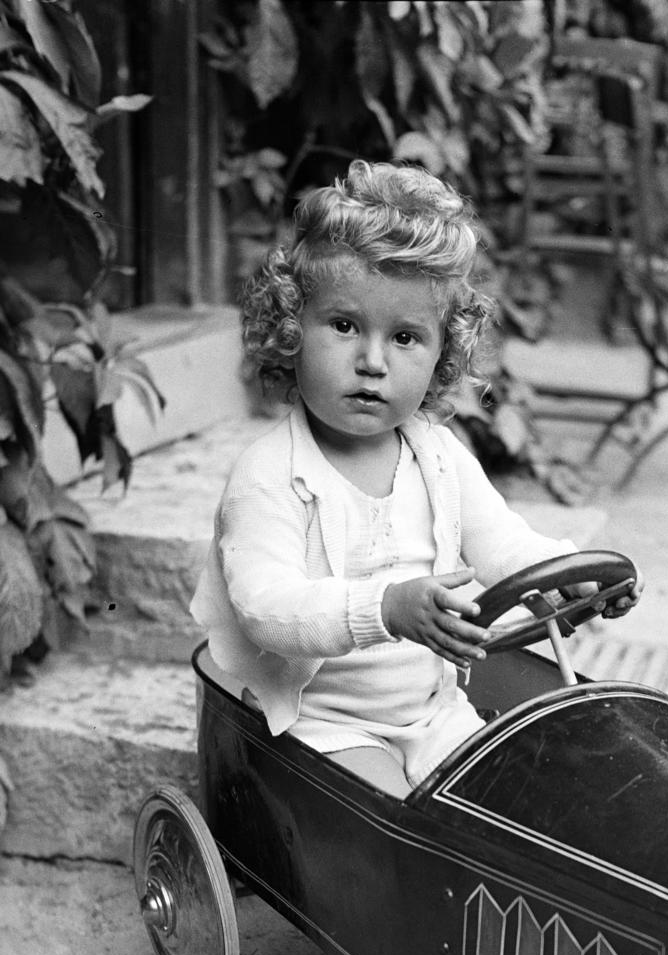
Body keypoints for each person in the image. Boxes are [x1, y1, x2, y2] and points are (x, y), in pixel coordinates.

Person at [191, 158, 638, 791]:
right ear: (292, 330)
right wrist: (386, 609)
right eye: (343, 326)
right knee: (392, 818)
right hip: (323, 722)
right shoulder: (270, 475)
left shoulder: (438, 456)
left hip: (434, 712)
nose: (372, 362)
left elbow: (503, 544)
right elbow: (267, 608)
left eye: (405, 338)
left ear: (441, 355)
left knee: (509, 797)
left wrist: (574, 574)